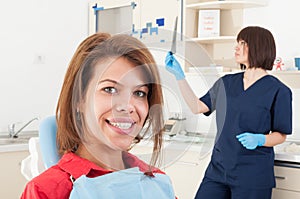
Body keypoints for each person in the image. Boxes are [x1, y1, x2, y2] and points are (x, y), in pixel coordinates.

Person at [21, 32, 176, 198]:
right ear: (78, 99)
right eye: (110, 89)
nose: (127, 106)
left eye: (139, 93)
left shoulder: (157, 183)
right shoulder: (46, 191)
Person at [165, 26, 292, 199]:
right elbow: (197, 107)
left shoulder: (278, 90)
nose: (236, 48)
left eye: (243, 43)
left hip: (252, 175)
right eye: (237, 43)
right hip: (218, 170)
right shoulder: (226, 83)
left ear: (258, 46)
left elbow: (281, 135)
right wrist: (179, 77)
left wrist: (260, 139)